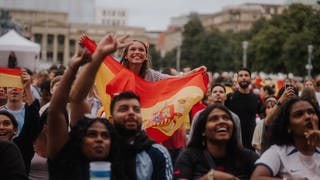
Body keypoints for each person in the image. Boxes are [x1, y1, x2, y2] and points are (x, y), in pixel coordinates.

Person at [47, 42, 117, 180]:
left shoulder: (118, 165)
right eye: (92, 134)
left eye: (105, 136)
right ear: (80, 138)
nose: (99, 139)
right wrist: (73, 68)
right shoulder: (65, 160)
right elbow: (57, 110)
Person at [174, 104, 258, 179]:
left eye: (226, 118)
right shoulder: (188, 157)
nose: (222, 121)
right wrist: (209, 178)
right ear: (203, 130)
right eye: (214, 119)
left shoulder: (248, 158)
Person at [109, 91, 173, 179]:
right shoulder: (103, 150)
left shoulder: (157, 153)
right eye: (124, 109)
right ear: (111, 120)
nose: (131, 113)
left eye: (136, 110)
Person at [251, 97, 320, 179]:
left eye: (311, 112)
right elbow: (256, 178)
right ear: (288, 126)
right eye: (299, 114)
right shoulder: (279, 152)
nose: (308, 117)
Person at [0, 69, 41, 172]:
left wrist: (27, 86)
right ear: (5, 91)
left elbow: (34, 127)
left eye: (18, 86)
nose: (14, 89)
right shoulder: (0, 111)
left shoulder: (31, 111)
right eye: (11, 86)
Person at [225, 67, 262, 150]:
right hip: (234, 142)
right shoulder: (230, 98)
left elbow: (263, 118)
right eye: (241, 75)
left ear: (250, 78)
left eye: (246, 75)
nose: (243, 77)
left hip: (252, 143)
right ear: (237, 79)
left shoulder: (256, 98)